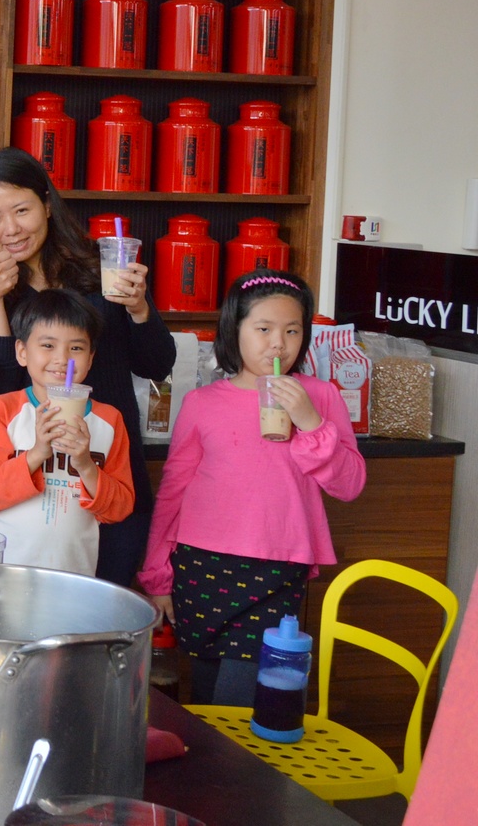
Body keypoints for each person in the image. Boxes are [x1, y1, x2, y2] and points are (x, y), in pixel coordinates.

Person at [139, 269, 365, 706]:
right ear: (235, 330)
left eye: (292, 330)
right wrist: (157, 576)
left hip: (278, 568)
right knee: (205, 696)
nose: (278, 344)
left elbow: (350, 484)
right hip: (201, 565)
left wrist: (310, 422)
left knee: (241, 700)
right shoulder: (202, 403)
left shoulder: (320, 397)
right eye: (263, 329)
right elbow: (173, 492)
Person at [0, 147, 175, 585]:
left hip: (106, 468)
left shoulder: (103, 268)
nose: (11, 229)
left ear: (46, 203)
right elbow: (4, 387)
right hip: (29, 496)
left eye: (21, 210)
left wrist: (138, 307)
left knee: (102, 609)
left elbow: (156, 364)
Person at [0, 289, 134, 574]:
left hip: (72, 576)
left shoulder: (109, 420)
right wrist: (36, 454)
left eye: (76, 348)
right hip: (1, 572)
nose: (62, 359)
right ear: (22, 352)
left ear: (91, 358)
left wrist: (85, 465)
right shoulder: (4, 410)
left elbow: (119, 509)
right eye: (48, 345)